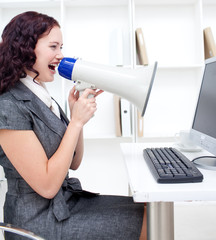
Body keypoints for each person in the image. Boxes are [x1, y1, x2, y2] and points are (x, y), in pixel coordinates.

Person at [0, 11, 146, 240]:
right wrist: (75, 122)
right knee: (147, 223)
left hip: (66, 205)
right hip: (38, 220)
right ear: (25, 47)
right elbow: (48, 186)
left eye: (61, 47)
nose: (60, 55)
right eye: (53, 46)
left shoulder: (40, 94)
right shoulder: (8, 105)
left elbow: (74, 162)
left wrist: (75, 116)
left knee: (148, 211)